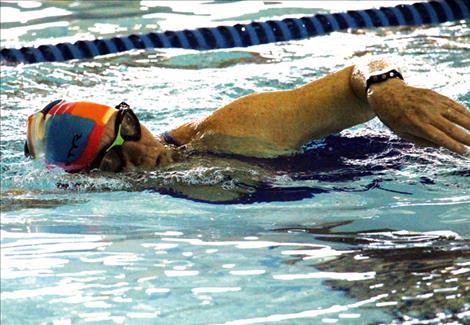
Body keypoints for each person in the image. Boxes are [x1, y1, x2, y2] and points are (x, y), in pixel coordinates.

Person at [25, 59, 470, 174]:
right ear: (93, 181)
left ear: (130, 114)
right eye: (112, 160)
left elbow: (355, 76)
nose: (140, 151)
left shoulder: (229, 130)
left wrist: (386, 87)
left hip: (418, 158)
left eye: (126, 128)